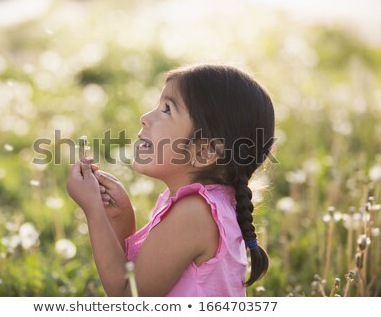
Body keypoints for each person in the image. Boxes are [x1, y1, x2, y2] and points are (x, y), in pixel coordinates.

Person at [66, 63, 275, 296]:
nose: (145, 117)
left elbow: (128, 296)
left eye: (166, 109)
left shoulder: (194, 214)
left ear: (203, 152)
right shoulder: (208, 205)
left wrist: (93, 209)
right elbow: (141, 274)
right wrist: (121, 215)